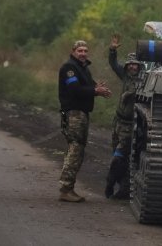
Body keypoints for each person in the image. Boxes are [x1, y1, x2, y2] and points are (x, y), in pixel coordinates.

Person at [58, 40, 111, 202]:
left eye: (85, 50)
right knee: (75, 149)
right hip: (74, 113)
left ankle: (68, 188)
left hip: (82, 113)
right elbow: (74, 89)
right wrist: (95, 91)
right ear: (73, 51)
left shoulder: (82, 68)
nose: (83, 53)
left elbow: (88, 86)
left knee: (78, 150)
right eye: (80, 50)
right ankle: (66, 189)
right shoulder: (69, 68)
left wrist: (98, 89)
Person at [104, 34, 143, 200]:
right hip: (118, 122)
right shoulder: (126, 76)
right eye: (131, 64)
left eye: (136, 65)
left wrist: (130, 93)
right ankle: (124, 189)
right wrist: (112, 50)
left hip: (129, 125)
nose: (133, 67)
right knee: (119, 156)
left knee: (118, 159)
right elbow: (113, 64)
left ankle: (110, 184)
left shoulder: (144, 80)